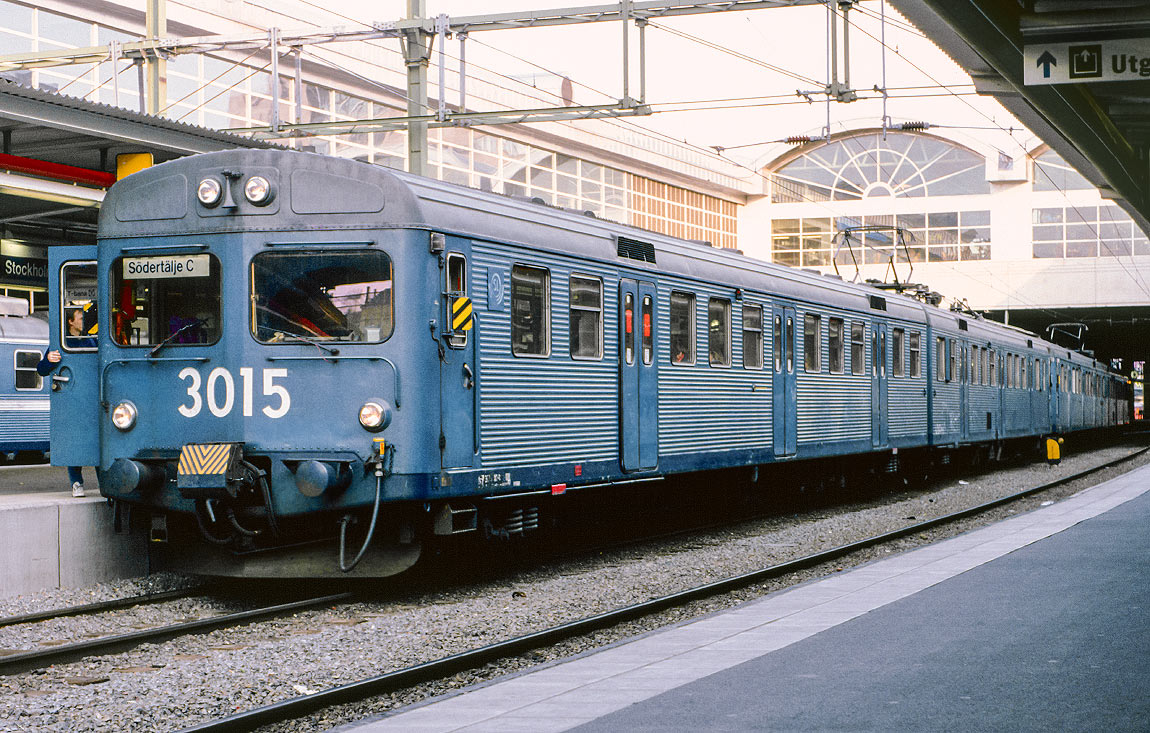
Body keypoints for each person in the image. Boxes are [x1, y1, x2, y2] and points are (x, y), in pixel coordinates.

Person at [39, 306, 95, 498]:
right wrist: (48, 359)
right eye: (80, 318)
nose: (83, 321)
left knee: (96, 438)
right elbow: (41, 369)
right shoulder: (60, 343)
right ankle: (76, 483)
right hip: (72, 398)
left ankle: (99, 481)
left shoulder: (90, 340)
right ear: (71, 322)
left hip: (90, 397)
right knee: (75, 439)